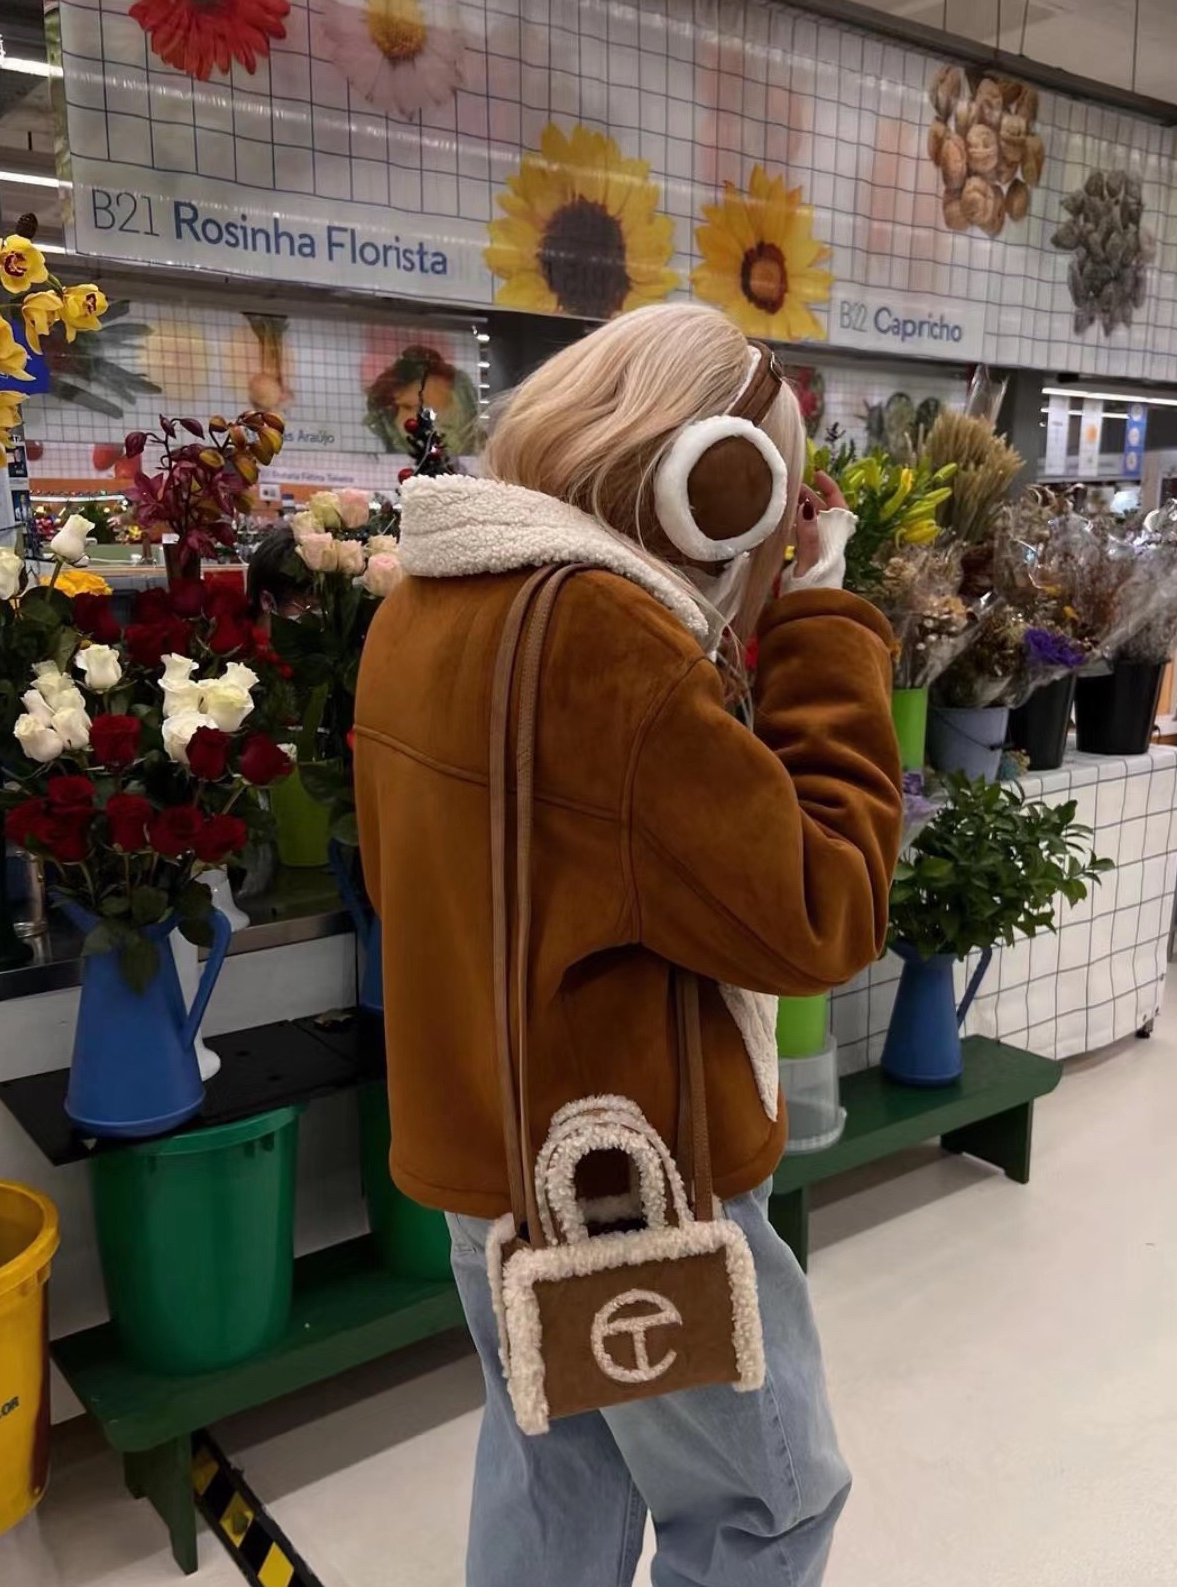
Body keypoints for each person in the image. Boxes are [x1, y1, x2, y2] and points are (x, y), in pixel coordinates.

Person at [352, 303, 902, 1587]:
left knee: (558, 1484)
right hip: (634, 1186)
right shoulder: (609, 648)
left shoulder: (428, 599)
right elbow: (824, 907)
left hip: (493, 1164)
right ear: (714, 486)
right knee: (766, 1509)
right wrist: (822, 615)